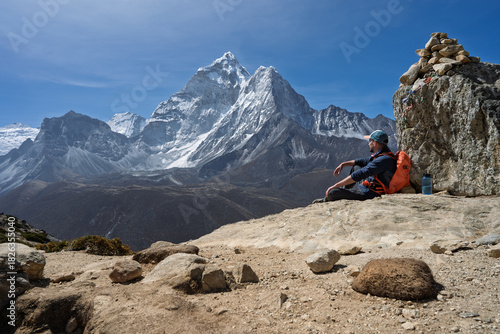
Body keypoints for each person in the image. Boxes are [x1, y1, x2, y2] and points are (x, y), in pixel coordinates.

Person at [313, 130, 397, 203]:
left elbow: (360, 174)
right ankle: (343, 191)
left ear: (374, 143)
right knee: (356, 166)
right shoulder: (383, 155)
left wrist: (336, 185)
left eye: (370, 141)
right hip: (369, 187)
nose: (369, 144)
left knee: (333, 192)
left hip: (371, 194)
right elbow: (361, 161)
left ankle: (328, 200)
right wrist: (343, 164)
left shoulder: (383, 160)